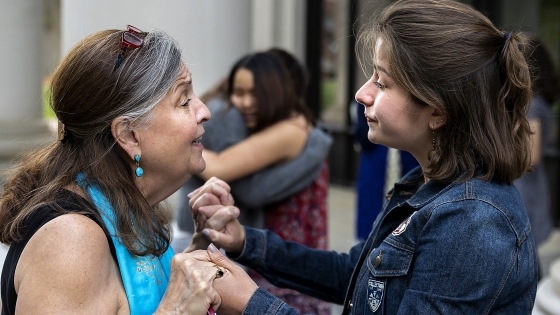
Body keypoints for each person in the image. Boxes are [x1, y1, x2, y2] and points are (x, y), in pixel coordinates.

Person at [188, 0, 539, 313]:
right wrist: (245, 241)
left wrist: (253, 304)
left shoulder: (472, 222)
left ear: (437, 110)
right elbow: (354, 275)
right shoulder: (426, 185)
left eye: (382, 83)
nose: (361, 93)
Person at [0, 26, 222, 314]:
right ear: (129, 135)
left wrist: (201, 251)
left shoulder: (123, 208)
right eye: (184, 100)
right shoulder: (71, 242)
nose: (204, 110)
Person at [186, 51, 332, 315]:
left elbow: (224, 169)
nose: (244, 103)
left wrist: (178, 147)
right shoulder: (283, 124)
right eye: (238, 92)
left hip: (283, 256)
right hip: (278, 250)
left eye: (254, 93)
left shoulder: (291, 129)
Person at [513, 38, 560, 277]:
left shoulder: (530, 103)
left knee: (525, 262)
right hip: (533, 187)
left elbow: (530, 156)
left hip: (524, 189)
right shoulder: (541, 100)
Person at [350, 99, 418, 241]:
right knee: (371, 210)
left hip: (405, 162)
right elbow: (362, 136)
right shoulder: (366, 100)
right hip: (376, 162)